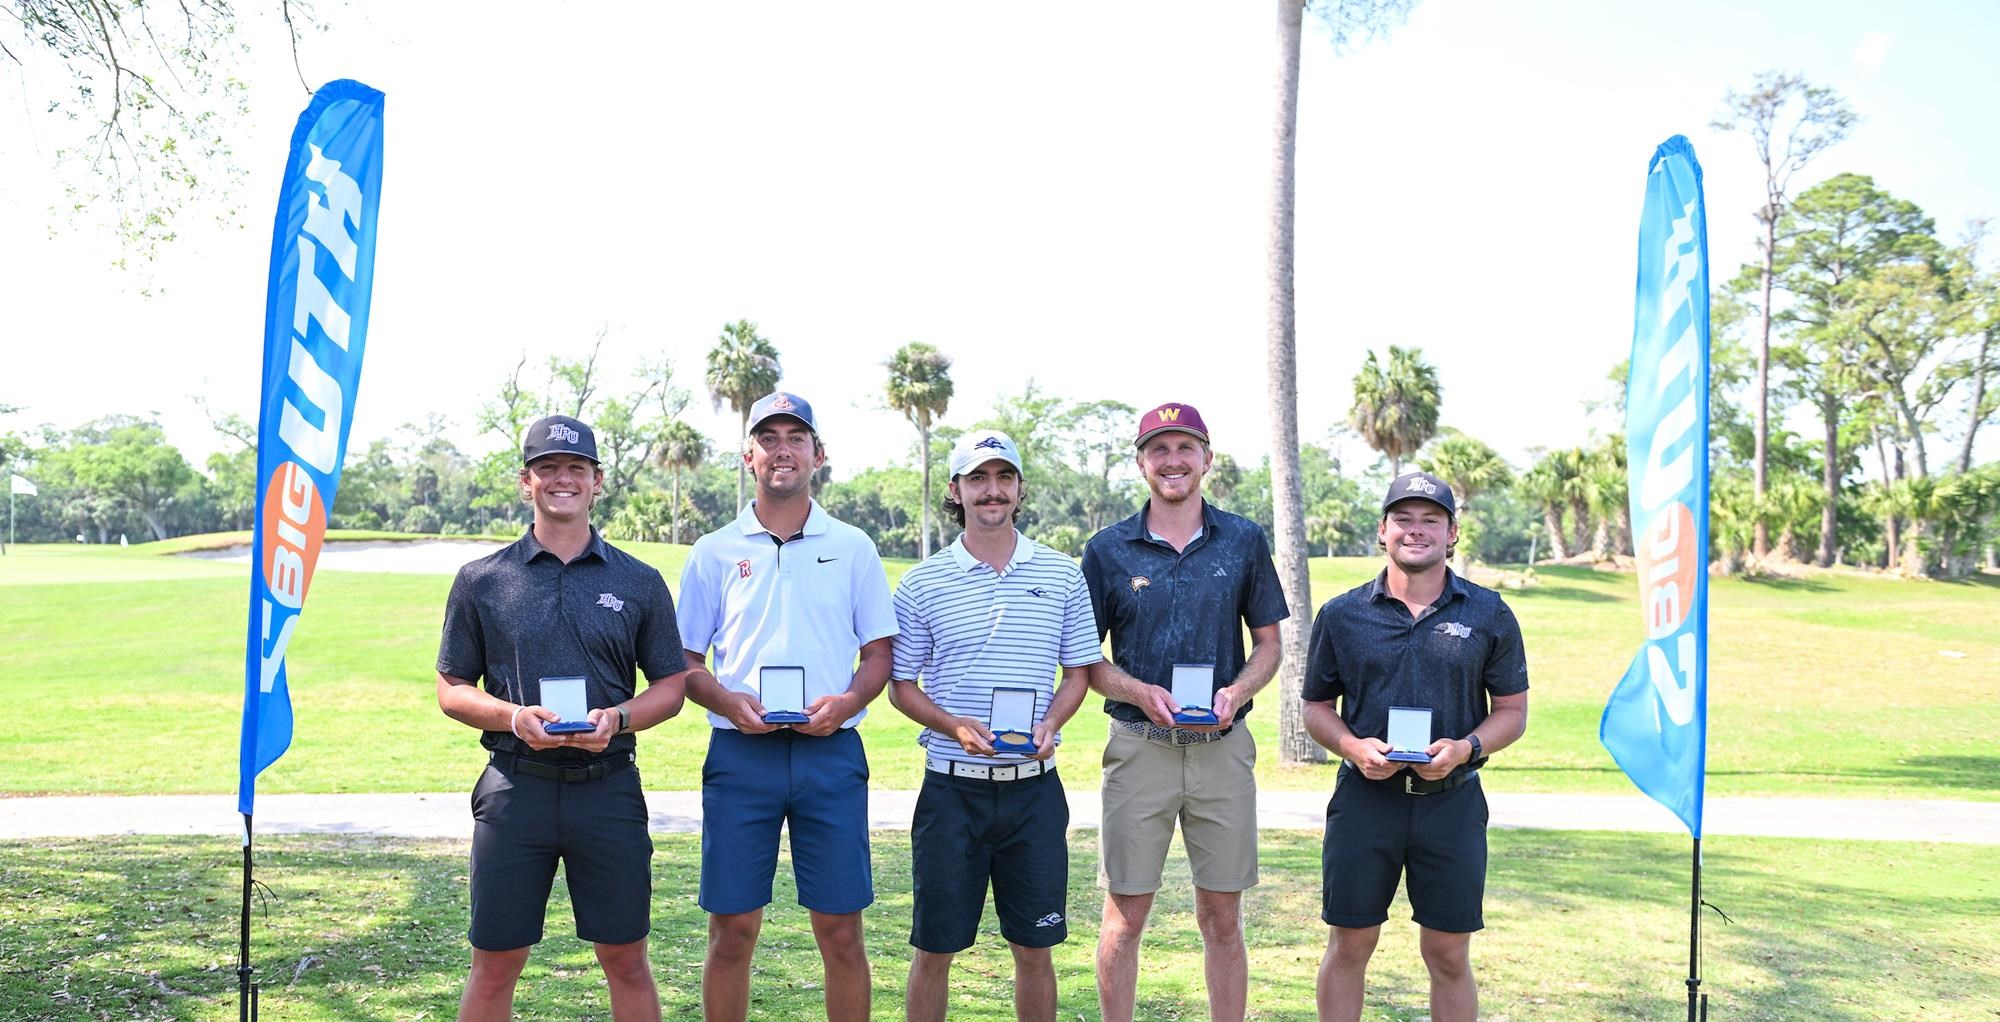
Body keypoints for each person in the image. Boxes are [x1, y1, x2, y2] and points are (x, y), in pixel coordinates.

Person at [435, 414, 690, 1022]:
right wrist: (513, 716)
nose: (562, 479)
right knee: (495, 962)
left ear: (597, 481)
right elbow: (451, 688)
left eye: (576, 467)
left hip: (608, 790)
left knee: (626, 959)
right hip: (514, 788)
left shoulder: (639, 580)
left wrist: (619, 719)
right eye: (547, 468)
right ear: (526, 482)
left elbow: (672, 686)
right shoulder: (482, 580)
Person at [674, 391, 898, 1022]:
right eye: (767, 438)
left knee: (842, 932)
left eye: (795, 437)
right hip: (740, 755)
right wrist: (725, 699)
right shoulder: (714, 550)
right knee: (732, 932)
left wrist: (848, 701)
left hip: (831, 754)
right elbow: (684, 661)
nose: (782, 450)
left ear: (818, 455)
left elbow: (878, 654)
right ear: (748, 456)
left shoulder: (852, 546)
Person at [1079, 402, 1289, 1022]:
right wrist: (1138, 690)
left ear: (1206, 459)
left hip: (1223, 750)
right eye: (1159, 449)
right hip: (1138, 747)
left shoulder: (1244, 540)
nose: (1173, 461)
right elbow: (1085, 658)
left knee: (1222, 919)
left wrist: (1238, 693)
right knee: (1124, 918)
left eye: (1185, 448)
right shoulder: (1107, 549)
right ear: (1141, 463)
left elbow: (1269, 645)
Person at [886, 430, 1101, 1022]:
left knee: (1035, 950)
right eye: (977, 478)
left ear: (1020, 488)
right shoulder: (923, 582)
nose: (992, 490)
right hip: (951, 792)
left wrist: (1052, 721)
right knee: (935, 949)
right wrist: (951, 724)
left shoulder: (1062, 574)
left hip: (1034, 793)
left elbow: (1078, 672)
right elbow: (901, 685)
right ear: (955, 490)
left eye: (1004, 477)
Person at [1302, 470, 1530, 1022]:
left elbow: (1512, 712)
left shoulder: (1488, 612)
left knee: (1447, 953)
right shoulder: (1342, 613)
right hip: (1364, 801)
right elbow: (1315, 709)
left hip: (1452, 802)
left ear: (1453, 533)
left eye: (1431, 520)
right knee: (1350, 944)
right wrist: (1353, 747)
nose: (1416, 530)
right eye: (1403, 518)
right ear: (1382, 530)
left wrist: (1466, 747)